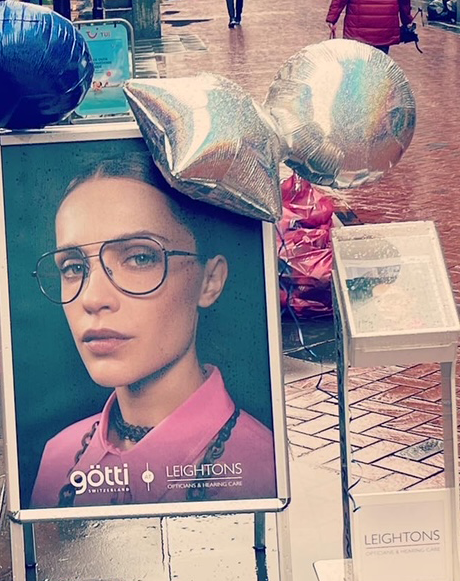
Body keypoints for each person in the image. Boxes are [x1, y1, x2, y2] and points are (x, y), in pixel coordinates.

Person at [29, 154, 277, 508]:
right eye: (73, 267)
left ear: (210, 280)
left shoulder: (260, 470)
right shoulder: (58, 457)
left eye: (140, 258)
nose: (93, 298)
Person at [325, 0, 414, 54]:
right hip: (385, 24)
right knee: (380, 64)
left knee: (359, 65)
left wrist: (333, 17)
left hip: (358, 25)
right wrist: (406, 19)